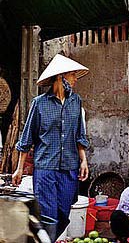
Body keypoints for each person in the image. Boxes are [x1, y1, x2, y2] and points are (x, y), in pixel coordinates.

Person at [12, 53, 90, 242]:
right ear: (60, 77)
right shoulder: (39, 104)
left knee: (64, 212)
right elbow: (26, 138)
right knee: (49, 216)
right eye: (72, 75)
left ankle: (44, 239)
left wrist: (84, 160)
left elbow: (79, 134)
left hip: (69, 167)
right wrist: (19, 169)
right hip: (46, 168)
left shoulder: (76, 101)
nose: (74, 80)